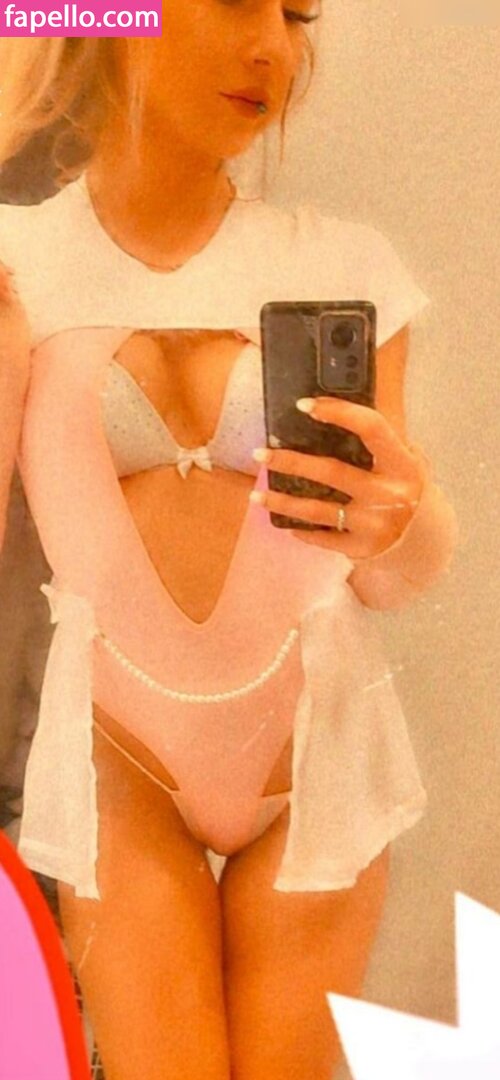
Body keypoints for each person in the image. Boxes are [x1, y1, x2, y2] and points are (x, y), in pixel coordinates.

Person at [0, 4, 459, 1078]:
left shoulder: (340, 261)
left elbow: (396, 578)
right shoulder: (18, 262)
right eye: (241, 2)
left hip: (312, 750)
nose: (275, 50)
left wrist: (405, 515)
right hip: (120, 764)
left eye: (297, 17)